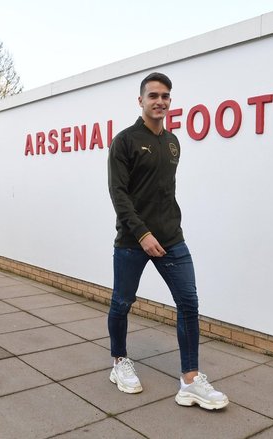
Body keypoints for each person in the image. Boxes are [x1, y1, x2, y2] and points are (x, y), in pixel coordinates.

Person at [106, 72, 229, 410]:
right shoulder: (125, 141)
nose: (160, 101)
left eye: (165, 96)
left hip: (172, 238)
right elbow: (119, 194)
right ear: (141, 100)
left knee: (188, 302)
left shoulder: (173, 142)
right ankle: (119, 361)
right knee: (122, 302)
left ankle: (190, 380)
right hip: (132, 240)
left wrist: (166, 228)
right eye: (153, 95)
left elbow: (164, 192)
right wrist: (142, 233)